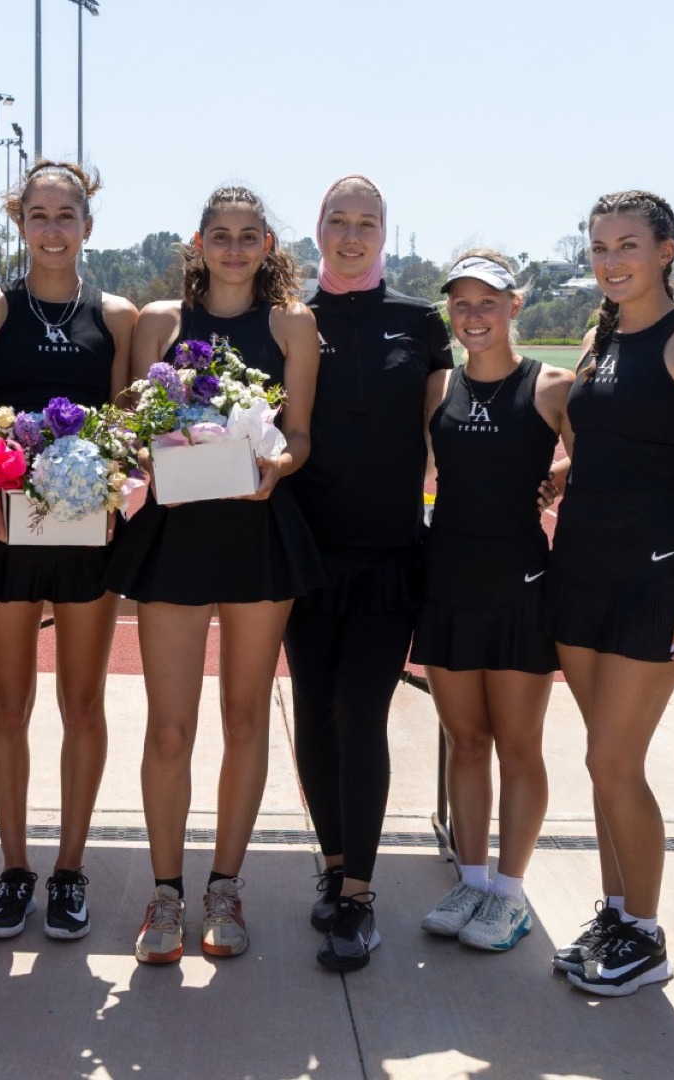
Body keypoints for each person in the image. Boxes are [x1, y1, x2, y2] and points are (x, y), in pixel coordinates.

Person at [106, 185, 321, 964]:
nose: (233, 248)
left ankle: (224, 887)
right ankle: (164, 894)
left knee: (242, 718)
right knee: (170, 726)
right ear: (197, 244)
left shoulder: (294, 324)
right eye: (219, 235)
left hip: (259, 531)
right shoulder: (158, 322)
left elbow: (297, 435)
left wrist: (273, 465)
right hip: (175, 535)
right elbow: (132, 428)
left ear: (267, 245)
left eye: (248, 235)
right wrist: (154, 454)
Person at [545, 190, 674, 996]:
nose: (611, 259)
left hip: (653, 576)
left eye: (627, 244)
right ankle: (618, 914)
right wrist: (559, 472)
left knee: (613, 758)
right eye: (598, 246)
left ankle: (650, 937)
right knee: (602, 766)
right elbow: (596, 443)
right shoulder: (598, 337)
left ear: (666, 249)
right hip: (580, 567)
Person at [0, 160, 137, 941]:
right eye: (39, 215)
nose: (53, 229)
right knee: (7, 702)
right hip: (6, 534)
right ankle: (14, 868)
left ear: (87, 226)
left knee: (82, 703)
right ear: (18, 222)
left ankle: (68, 869)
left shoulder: (120, 315)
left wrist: (108, 482)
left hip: (87, 536)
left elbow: (126, 430)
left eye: (68, 215)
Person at [285, 176, 449, 971]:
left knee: (361, 712)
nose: (351, 236)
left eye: (367, 223)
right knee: (313, 713)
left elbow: (445, 434)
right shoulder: (290, 320)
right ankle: (331, 862)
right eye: (337, 221)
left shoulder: (419, 323)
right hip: (302, 555)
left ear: (385, 232)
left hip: (388, 554)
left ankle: (358, 896)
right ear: (317, 229)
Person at [413, 252, 569, 960]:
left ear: (515, 305)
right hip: (446, 576)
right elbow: (420, 472)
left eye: (488, 302)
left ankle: (510, 894)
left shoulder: (551, 387)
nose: (473, 317)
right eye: (461, 305)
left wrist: (559, 473)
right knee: (465, 741)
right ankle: (470, 879)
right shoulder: (437, 384)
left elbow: (606, 463)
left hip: (519, 586)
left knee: (517, 745)